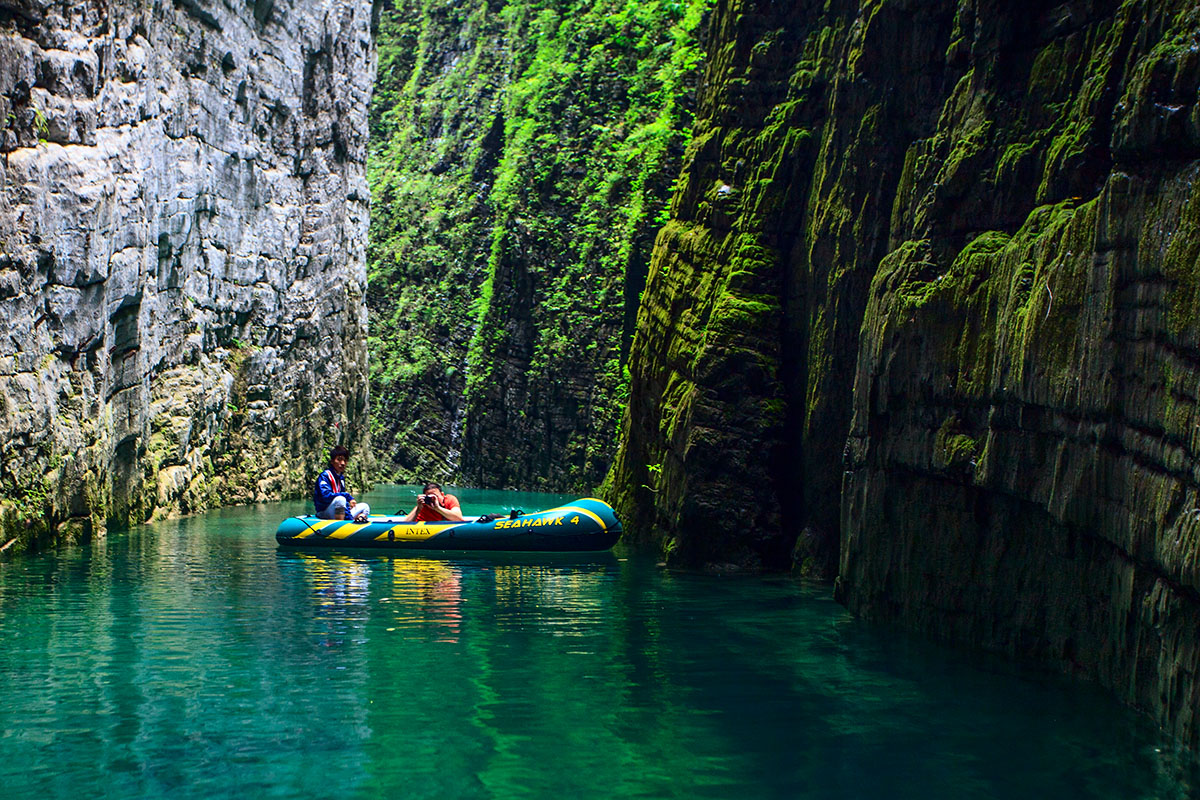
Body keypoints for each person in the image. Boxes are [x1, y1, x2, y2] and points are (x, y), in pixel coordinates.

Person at [313, 445, 370, 522]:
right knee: (340, 499)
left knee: (365, 506)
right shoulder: (325, 476)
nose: (343, 463)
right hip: (324, 511)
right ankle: (341, 525)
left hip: (338, 510)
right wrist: (346, 496)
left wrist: (347, 506)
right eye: (339, 460)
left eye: (345, 460)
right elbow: (325, 496)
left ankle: (358, 520)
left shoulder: (341, 478)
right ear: (332, 461)